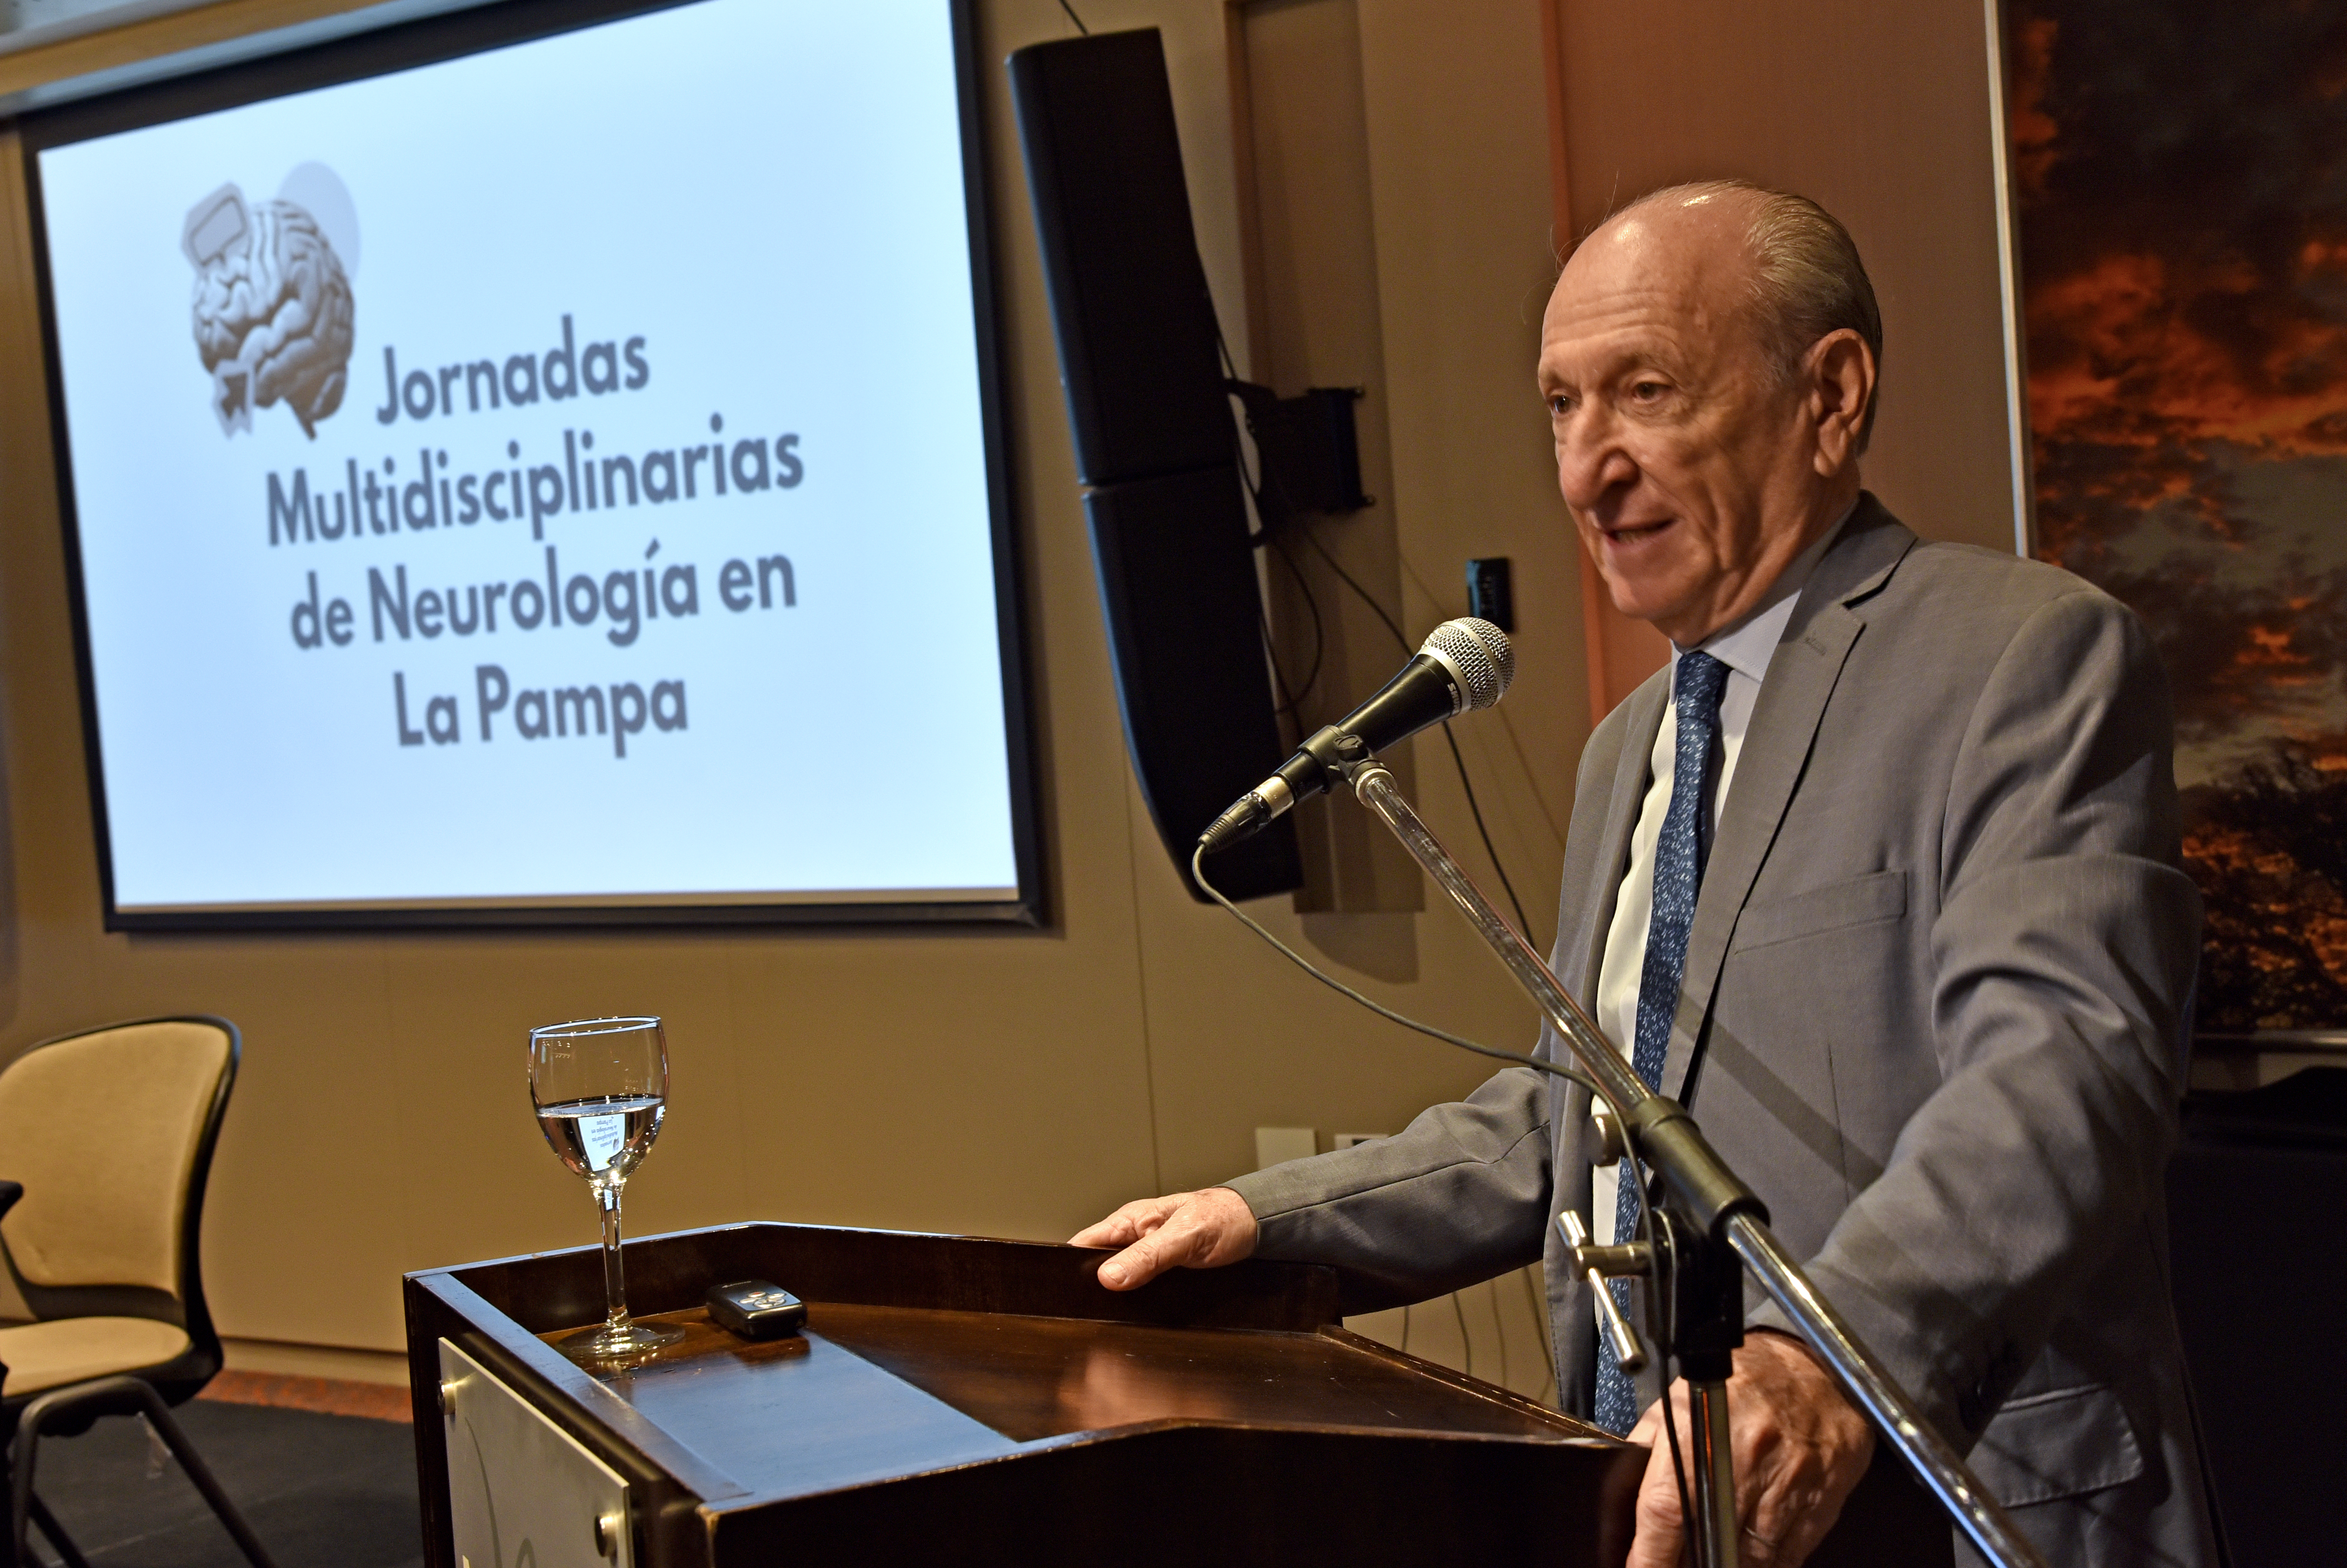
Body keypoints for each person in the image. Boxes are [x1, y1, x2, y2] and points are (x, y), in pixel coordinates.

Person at [1071, 181, 2217, 1568]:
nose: (1585, 468)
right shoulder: (1631, 747)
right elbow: (1584, 1111)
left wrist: (1817, 1361)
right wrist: (1264, 1220)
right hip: (1664, 1505)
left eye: (1646, 391)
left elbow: (2064, 1076)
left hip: (1938, 1495)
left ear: (1830, 396)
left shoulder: (2017, 658)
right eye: (1561, 406)